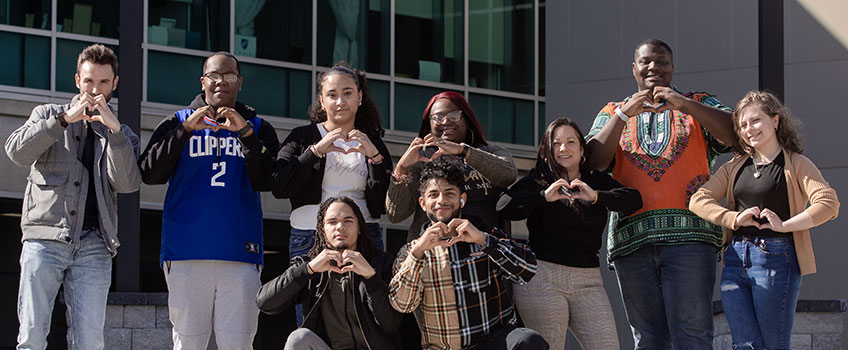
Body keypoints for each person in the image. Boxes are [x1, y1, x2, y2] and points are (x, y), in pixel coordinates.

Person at [584, 38, 736, 349]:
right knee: (648, 339)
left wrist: (684, 103)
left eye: (662, 62)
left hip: (691, 239)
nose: (654, 67)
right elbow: (593, 161)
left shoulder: (698, 101)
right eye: (646, 62)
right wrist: (624, 115)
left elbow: (735, 133)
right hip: (633, 243)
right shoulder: (613, 111)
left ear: (672, 68)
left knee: (692, 335)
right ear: (634, 69)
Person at [138, 51, 280, 349]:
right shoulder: (177, 121)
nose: (221, 82)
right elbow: (149, 173)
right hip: (186, 252)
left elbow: (269, 181)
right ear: (203, 82)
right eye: (214, 76)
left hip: (241, 254)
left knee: (237, 344)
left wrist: (246, 134)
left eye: (229, 76)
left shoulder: (258, 126)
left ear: (239, 83)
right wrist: (185, 131)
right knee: (188, 344)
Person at [5, 44, 141, 349]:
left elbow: (128, 184)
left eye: (104, 82)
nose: (95, 90)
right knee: (31, 336)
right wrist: (63, 120)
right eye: (90, 81)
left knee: (90, 342)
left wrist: (115, 133)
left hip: (95, 245)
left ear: (114, 84)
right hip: (45, 238)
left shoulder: (123, 133)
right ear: (77, 80)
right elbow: (16, 152)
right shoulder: (47, 115)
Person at [689, 91, 839, 350]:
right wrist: (733, 218)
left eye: (756, 120)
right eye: (743, 125)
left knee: (772, 345)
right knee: (745, 345)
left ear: (776, 120)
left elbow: (828, 203)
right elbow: (698, 199)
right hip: (735, 259)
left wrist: (785, 225)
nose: (749, 129)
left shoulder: (796, 163)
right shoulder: (734, 167)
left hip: (776, 258)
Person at [497, 117, 642, 349]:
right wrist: (542, 196)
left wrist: (595, 196)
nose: (563, 148)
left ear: (582, 150)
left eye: (571, 142)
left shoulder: (595, 181)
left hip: (588, 281)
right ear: (547, 150)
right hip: (542, 277)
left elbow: (634, 200)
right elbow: (504, 206)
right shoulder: (539, 180)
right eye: (556, 143)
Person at [389, 156, 547, 350]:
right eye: (433, 194)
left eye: (449, 193)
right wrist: (418, 253)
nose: (441, 200)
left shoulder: (485, 235)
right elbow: (402, 305)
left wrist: (483, 241)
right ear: (423, 203)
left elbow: (528, 269)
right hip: (446, 347)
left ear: (462, 199)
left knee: (529, 341)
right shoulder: (412, 251)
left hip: (494, 342)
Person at [272, 63, 392, 259]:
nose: (340, 101)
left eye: (347, 93)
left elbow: (384, 205)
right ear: (322, 100)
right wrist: (315, 151)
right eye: (332, 95)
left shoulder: (372, 142)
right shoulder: (302, 137)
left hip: (363, 235)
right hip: (309, 234)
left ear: (359, 97)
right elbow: (279, 185)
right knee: (310, 290)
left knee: (365, 290)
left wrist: (376, 159)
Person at [256, 197, 403, 350]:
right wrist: (308, 270)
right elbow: (265, 303)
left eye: (348, 221)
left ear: (359, 228)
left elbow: (390, 324)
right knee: (300, 338)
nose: (340, 227)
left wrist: (371, 277)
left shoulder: (382, 263)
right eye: (332, 222)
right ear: (322, 230)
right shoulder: (310, 267)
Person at [386, 91, 517, 242]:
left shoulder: (489, 151)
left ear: (467, 119)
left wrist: (463, 150)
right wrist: (401, 168)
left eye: (454, 115)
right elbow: (395, 214)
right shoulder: (422, 159)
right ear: (429, 123)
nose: (446, 121)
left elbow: (509, 174)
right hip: (436, 252)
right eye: (438, 117)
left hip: (486, 250)